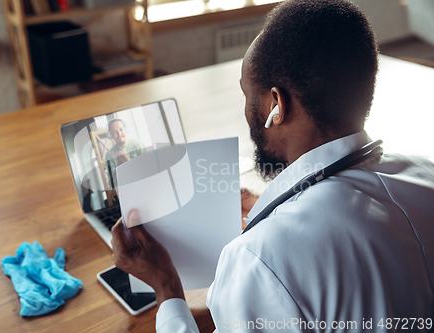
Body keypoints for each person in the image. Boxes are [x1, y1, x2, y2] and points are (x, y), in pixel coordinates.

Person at [111, 0, 434, 332]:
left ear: (276, 105)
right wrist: (271, 209)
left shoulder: (260, 261)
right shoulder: (426, 175)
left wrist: (167, 288)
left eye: (246, 94)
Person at [104, 118, 146, 188]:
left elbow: (148, 169)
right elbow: (111, 182)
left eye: (121, 129)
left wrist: (129, 163)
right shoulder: (109, 155)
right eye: (115, 131)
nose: (119, 134)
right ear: (110, 135)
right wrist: (119, 165)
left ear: (125, 130)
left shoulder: (138, 145)